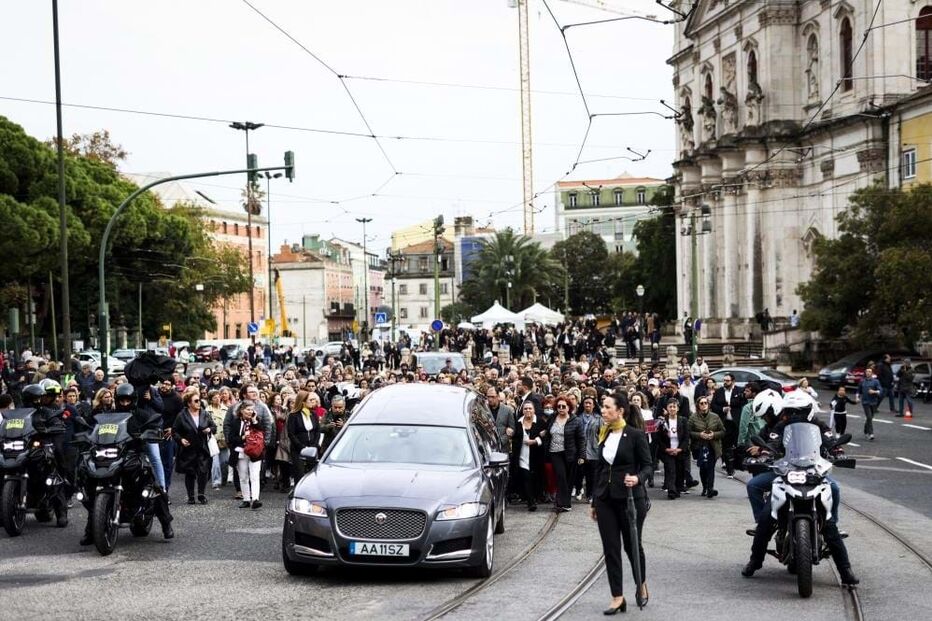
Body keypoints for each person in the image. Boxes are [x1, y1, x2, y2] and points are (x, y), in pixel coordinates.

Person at [590, 391, 652, 614]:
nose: (603, 411)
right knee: (611, 548)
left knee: (632, 545)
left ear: (620, 411)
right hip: (605, 498)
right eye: (602, 407)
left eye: (607, 407)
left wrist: (637, 478)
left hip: (630, 500)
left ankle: (641, 583)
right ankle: (617, 597)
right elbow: (599, 468)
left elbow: (647, 466)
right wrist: (594, 501)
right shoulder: (603, 433)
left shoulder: (635, 435)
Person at [172, 388, 217, 505]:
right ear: (189, 403)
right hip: (188, 449)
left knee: (203, 472)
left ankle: (201, 494)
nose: (199, 403)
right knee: (190, 473)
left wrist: (209, 429)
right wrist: (181, 439)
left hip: (202, 448)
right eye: (196, 401)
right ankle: (191, 496)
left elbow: (214, 426)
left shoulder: (205, 413)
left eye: (199, 401)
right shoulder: (182, 415)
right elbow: (175, 431)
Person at [546, 395, 584, 512]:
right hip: (555, 452)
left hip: (569, 453)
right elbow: (548, 432)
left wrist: (582, 456)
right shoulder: (552, 418)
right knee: (561, 476)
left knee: (568, 479)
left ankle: (566, 504)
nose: (561, 408)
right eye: (558, 406)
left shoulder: (575, 420)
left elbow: (581, 439)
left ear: (569, 407)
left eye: (563, 406)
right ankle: (560, 503)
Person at [509, 401, 545, 511]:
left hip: (535, 455)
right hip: (521, 455)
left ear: (534, 410)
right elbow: (514, 437)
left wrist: (535, 441)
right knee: (526, 477)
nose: (528, 411)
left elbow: (545, 435)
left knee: (534, 476)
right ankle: (531, 502)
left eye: (530, 408)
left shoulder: (539, 422)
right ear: (522, 411)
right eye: (525, 409)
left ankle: (535, 497)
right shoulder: (518, 422)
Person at [688, 395, 724, 498]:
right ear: (698, 405)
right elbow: (688, 432)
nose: (704, 405)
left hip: (712, 445)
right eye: (701, 403)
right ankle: (705, 487)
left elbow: (722, 431)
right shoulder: (693, 417)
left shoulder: (715, 417)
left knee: (710, 467)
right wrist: (699, 435)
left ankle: (710, 489)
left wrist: (714, 434)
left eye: (705, 403)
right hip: (699, 446)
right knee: (703, 467)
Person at [710, 373, 745, 477]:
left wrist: (731, 403)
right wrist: (722, 409)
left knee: (737, 445)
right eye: (724, 380)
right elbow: (713, 405)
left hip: (736, 422)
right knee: (726, 445)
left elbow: (743, 403)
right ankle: (729, 468)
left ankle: (736, 464)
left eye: (727, 381)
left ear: (733, 381)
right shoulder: (719, 391)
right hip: (724, 422)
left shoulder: (739, 390)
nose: (725, 382)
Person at [230, 401, 264, 509]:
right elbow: (231, 438)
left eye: (252, 409)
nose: (250, 412)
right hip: (240, 451)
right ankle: (246, 499)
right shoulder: (235, 422)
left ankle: (255, 499)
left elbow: (262, 431)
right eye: (248, 409)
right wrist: (243, 437)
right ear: (241, 410)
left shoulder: (256, 420)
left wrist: (254, 420)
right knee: (243, 476)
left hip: (255, 452)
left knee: (255, 476)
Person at [287, 390, 321, 489]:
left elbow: (317, 431)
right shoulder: (293, 415)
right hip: (298, 449)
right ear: (303, 402)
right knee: (300, 474)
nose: (312, 402)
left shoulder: (313, 414)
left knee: (312, 474)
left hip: (312, 448)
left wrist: (314, 445)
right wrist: (302, 447)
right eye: (310, 400)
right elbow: (291, 434)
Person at [658, 400, 688, 499]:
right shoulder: (662, 421)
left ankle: (678, 489)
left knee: (679, 470)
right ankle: (671, 491)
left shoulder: (683, 420)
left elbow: (686, 437)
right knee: (671, 469)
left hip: (679, 450)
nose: (672, 409)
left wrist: (680, 449)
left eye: (674, 407)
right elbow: (659, 438)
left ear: (678, 408)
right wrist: (666, 449)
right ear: (667, 408)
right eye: (670, 406)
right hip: (667, 450)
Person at [206, 390, 229, 489]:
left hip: (224, 438)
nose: (218, 399)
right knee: (215, 462)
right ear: (211, 400)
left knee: (225, 461)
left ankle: (223, 478)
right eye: (215, 397)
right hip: (213, 439)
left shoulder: (226, 409)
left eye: (218, 397)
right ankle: (216, 481)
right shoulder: (207, 411)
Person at [858, 367, 882, 441]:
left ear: (872, 373)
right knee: (869, 417)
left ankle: (865, 430)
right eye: (867, 371)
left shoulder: (876, 381)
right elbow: (858, 390)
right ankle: (871, 433)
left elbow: (880, 390)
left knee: (870, 418)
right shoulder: (862, 381)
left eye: (869, 371)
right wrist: (857, 397)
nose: (868, 373)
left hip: (873, 402)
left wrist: (874, 392)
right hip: (865, 402)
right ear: (865, 373)